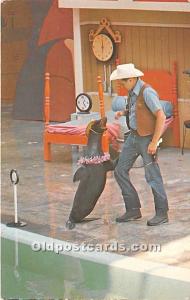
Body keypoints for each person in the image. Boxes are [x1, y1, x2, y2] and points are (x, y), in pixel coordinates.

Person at [110, 63, 169, 226]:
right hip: (134, 137)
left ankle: (162, 213)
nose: (122, 85)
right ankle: (133, 209)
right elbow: (138, 110)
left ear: (131, 79)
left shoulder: (147, 92)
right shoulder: (132, 92)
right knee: (120, 170)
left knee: (152, 175)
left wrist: (154, 142)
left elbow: (161, 116)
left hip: (147, 139)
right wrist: (124, 112)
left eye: (123, 81)